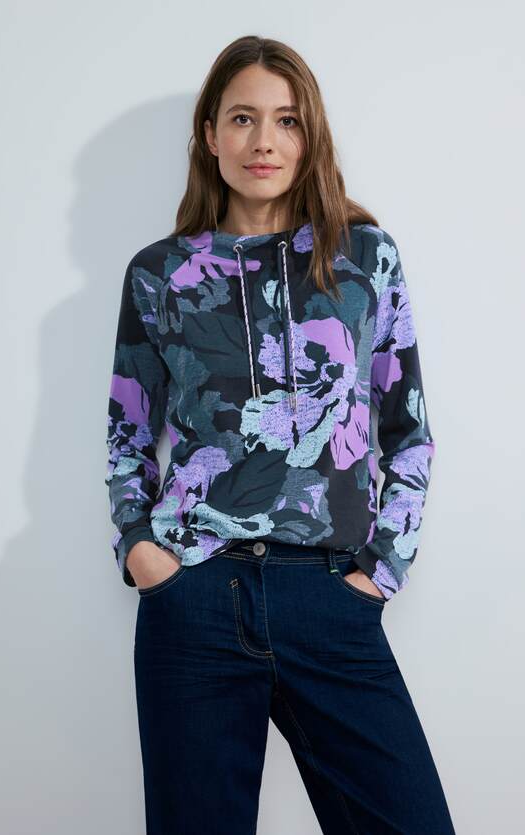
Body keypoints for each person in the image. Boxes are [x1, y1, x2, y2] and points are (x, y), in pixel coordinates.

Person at [105, 34, 456, 835]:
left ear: (310, 135)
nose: (263, 141)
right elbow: (127, 433)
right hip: (194, 597)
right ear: (209, 134)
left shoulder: (364, 259)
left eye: (287, 120)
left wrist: (381, 572)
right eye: (242, 118)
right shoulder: (159, 273)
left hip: (330, 594)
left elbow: (409, 430)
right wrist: (141, 550)